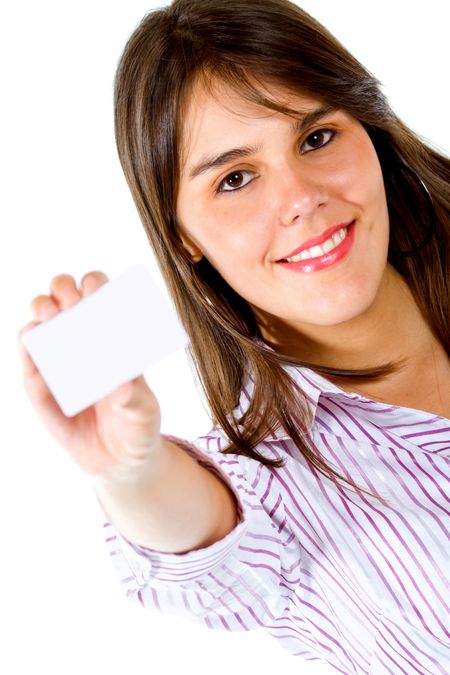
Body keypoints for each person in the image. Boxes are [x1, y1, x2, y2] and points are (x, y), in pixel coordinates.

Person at [18, 0, 449, 672]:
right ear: (183, 235)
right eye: (236, 179)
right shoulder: (266, 479)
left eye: (315, 138)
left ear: (369, 127)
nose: (300, 197)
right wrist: (132, 473)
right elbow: (199, 533)